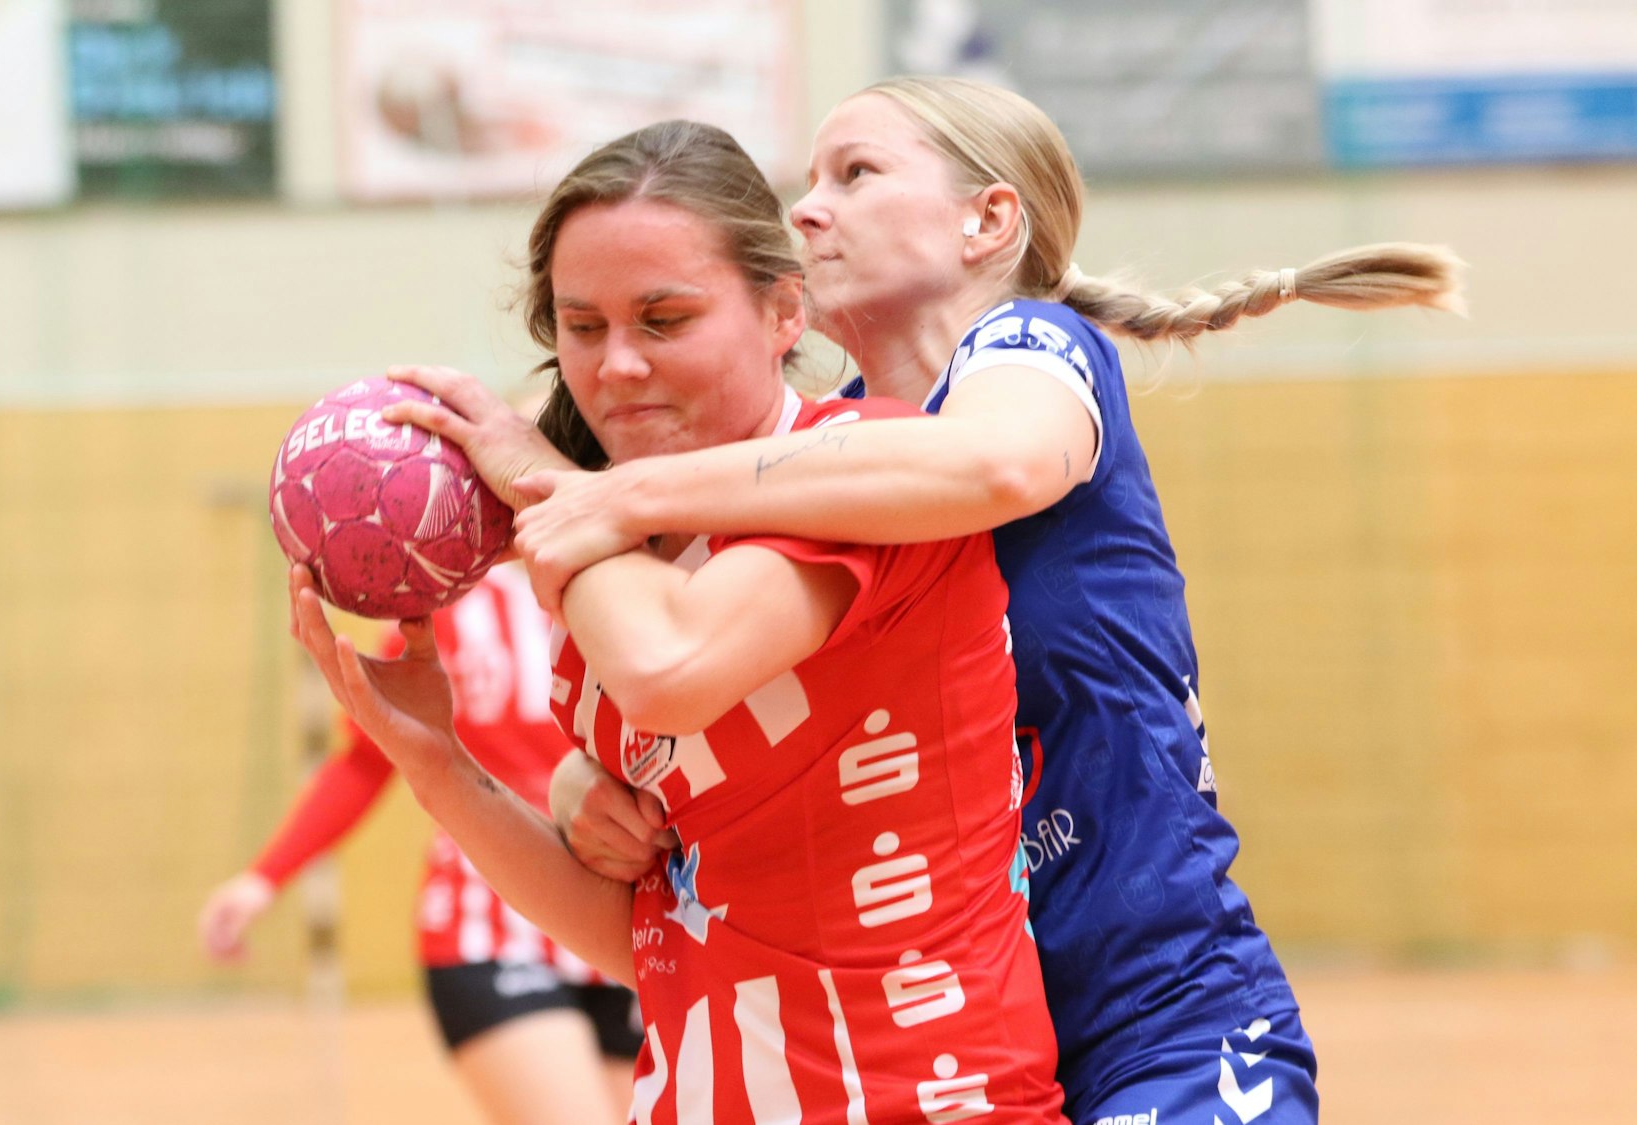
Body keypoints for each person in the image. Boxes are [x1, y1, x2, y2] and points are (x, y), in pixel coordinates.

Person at [389, 78, 1465, 1125]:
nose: (808, 208)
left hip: (1158, 1009)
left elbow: (994, 464)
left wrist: (614, 493)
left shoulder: (1025, 351)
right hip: (965, 1034)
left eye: (855, 173)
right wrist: (597, 774)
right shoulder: (828, 455)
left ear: (986, 220)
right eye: (808, 180)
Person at [290, 119, 1066, 1125]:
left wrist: (548, 486)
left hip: (930, 1096)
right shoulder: (610, 556)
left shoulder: (860, 463)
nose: (616, 365)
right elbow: (657, 941)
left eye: (664, 320)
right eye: (582, 327)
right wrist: (438, 763)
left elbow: (671, 665)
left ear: (783, 310)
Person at [198, 565, 641, 1125]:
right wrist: (264, 878)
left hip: (625, 929)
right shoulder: (447, 608)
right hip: (491, 927)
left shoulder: (637, 587)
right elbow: (366, 759)